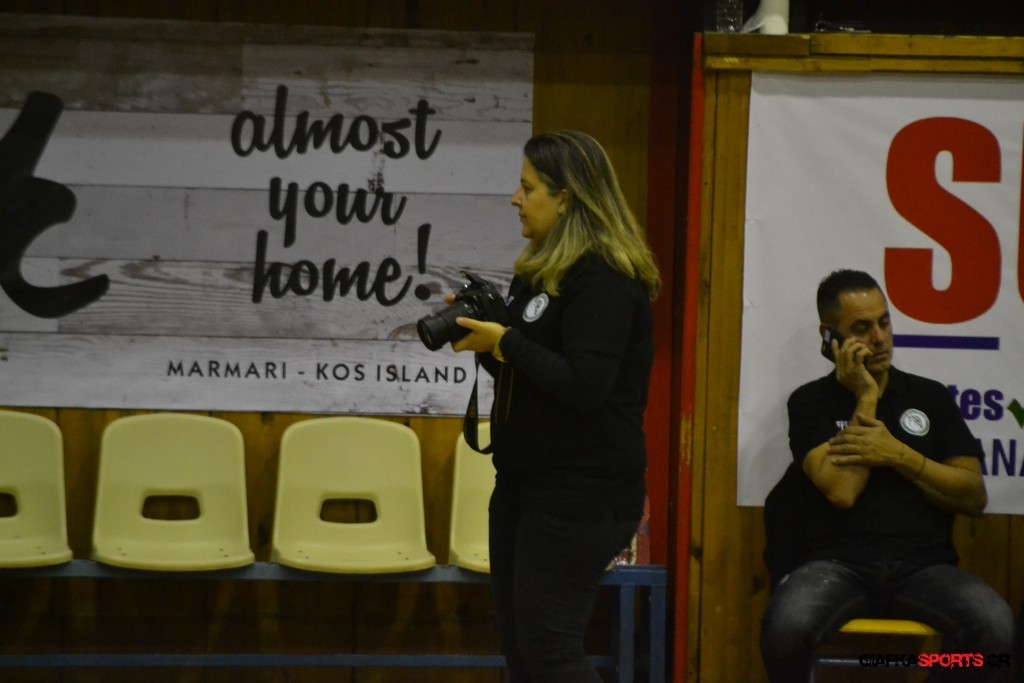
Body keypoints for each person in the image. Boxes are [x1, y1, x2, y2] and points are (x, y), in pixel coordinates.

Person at [448, 130, 660, 682]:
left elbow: (586, 386)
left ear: (565, 198)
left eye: (527, 188)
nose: (515, 199)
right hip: (524, 486)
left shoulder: (606, 277)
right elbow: (527, 376)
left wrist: (506, 342)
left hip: (582, 494)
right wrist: (485, 340)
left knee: (551, 653)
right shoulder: (540, 272)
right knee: (523, 653)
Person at [760, 269, 1015, 682]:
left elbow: (973, 495)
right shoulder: (810, 403)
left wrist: (900, 455)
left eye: (884, 322)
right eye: (862, 328)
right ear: (830, 337)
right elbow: (843, 491)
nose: (880, 338)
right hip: (835, 566)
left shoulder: (929, 397)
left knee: (995, 628)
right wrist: (867, 397)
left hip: (926, 567)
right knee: (786, 628)